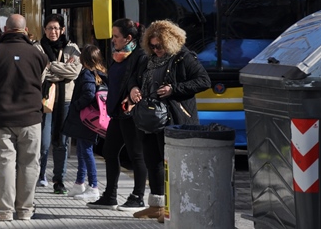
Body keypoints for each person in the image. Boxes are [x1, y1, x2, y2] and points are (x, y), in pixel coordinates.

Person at [129, 19, 211, 223]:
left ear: (170, 42)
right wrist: (133, 89)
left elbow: (204, 81)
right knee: (152, 161)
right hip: (149, 119)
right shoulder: (146, 58)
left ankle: (174, 208)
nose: (156, 50)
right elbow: (132, 78)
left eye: (160, 46)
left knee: (172, 164)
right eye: (153, 45)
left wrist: (174, 89)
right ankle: (156, 207)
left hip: (174, 118)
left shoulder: (183, 57)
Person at [0, 14, 48, 221]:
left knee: (4, 163)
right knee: (29, 165)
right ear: (25, 31)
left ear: (5, 30)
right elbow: (41, 82)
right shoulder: (38, 55)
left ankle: (3, 212)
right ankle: (25, 211)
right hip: (31, 118)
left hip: (0, 117)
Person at [88, 19, 148, 210]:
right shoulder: (119, 56)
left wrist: (132, 94)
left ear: (128, 38)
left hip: (131, 113)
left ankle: (138, 196)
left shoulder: (140, 56)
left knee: (136, 154)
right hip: (117, 113)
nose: (113, 40)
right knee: (109, 151)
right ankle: (110, 195)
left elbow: (138, 82)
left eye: (116, 37)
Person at [33, 14, 81, 194]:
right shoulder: (37, 48)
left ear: (62, 29)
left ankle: (59, 180)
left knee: (62, 142)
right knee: (43, 142)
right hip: (44, 99)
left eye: (56, 28)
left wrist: (50, 65)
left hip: (65, 100)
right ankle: (40, 175)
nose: (53, 32)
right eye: (49, 28)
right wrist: (62, 69)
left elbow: (74, 72)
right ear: (44, 30)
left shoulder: (72, 48)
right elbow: (37, 74)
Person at [62, 45, 107, 202]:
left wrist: (76, 106)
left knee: (86, 151)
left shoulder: (87, 75)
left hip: (86, 119)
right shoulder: (99, 73)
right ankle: (79, 183)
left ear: (83, 60)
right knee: (82, 150)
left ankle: (93, 186)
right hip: (90, 119)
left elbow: (88, 94)